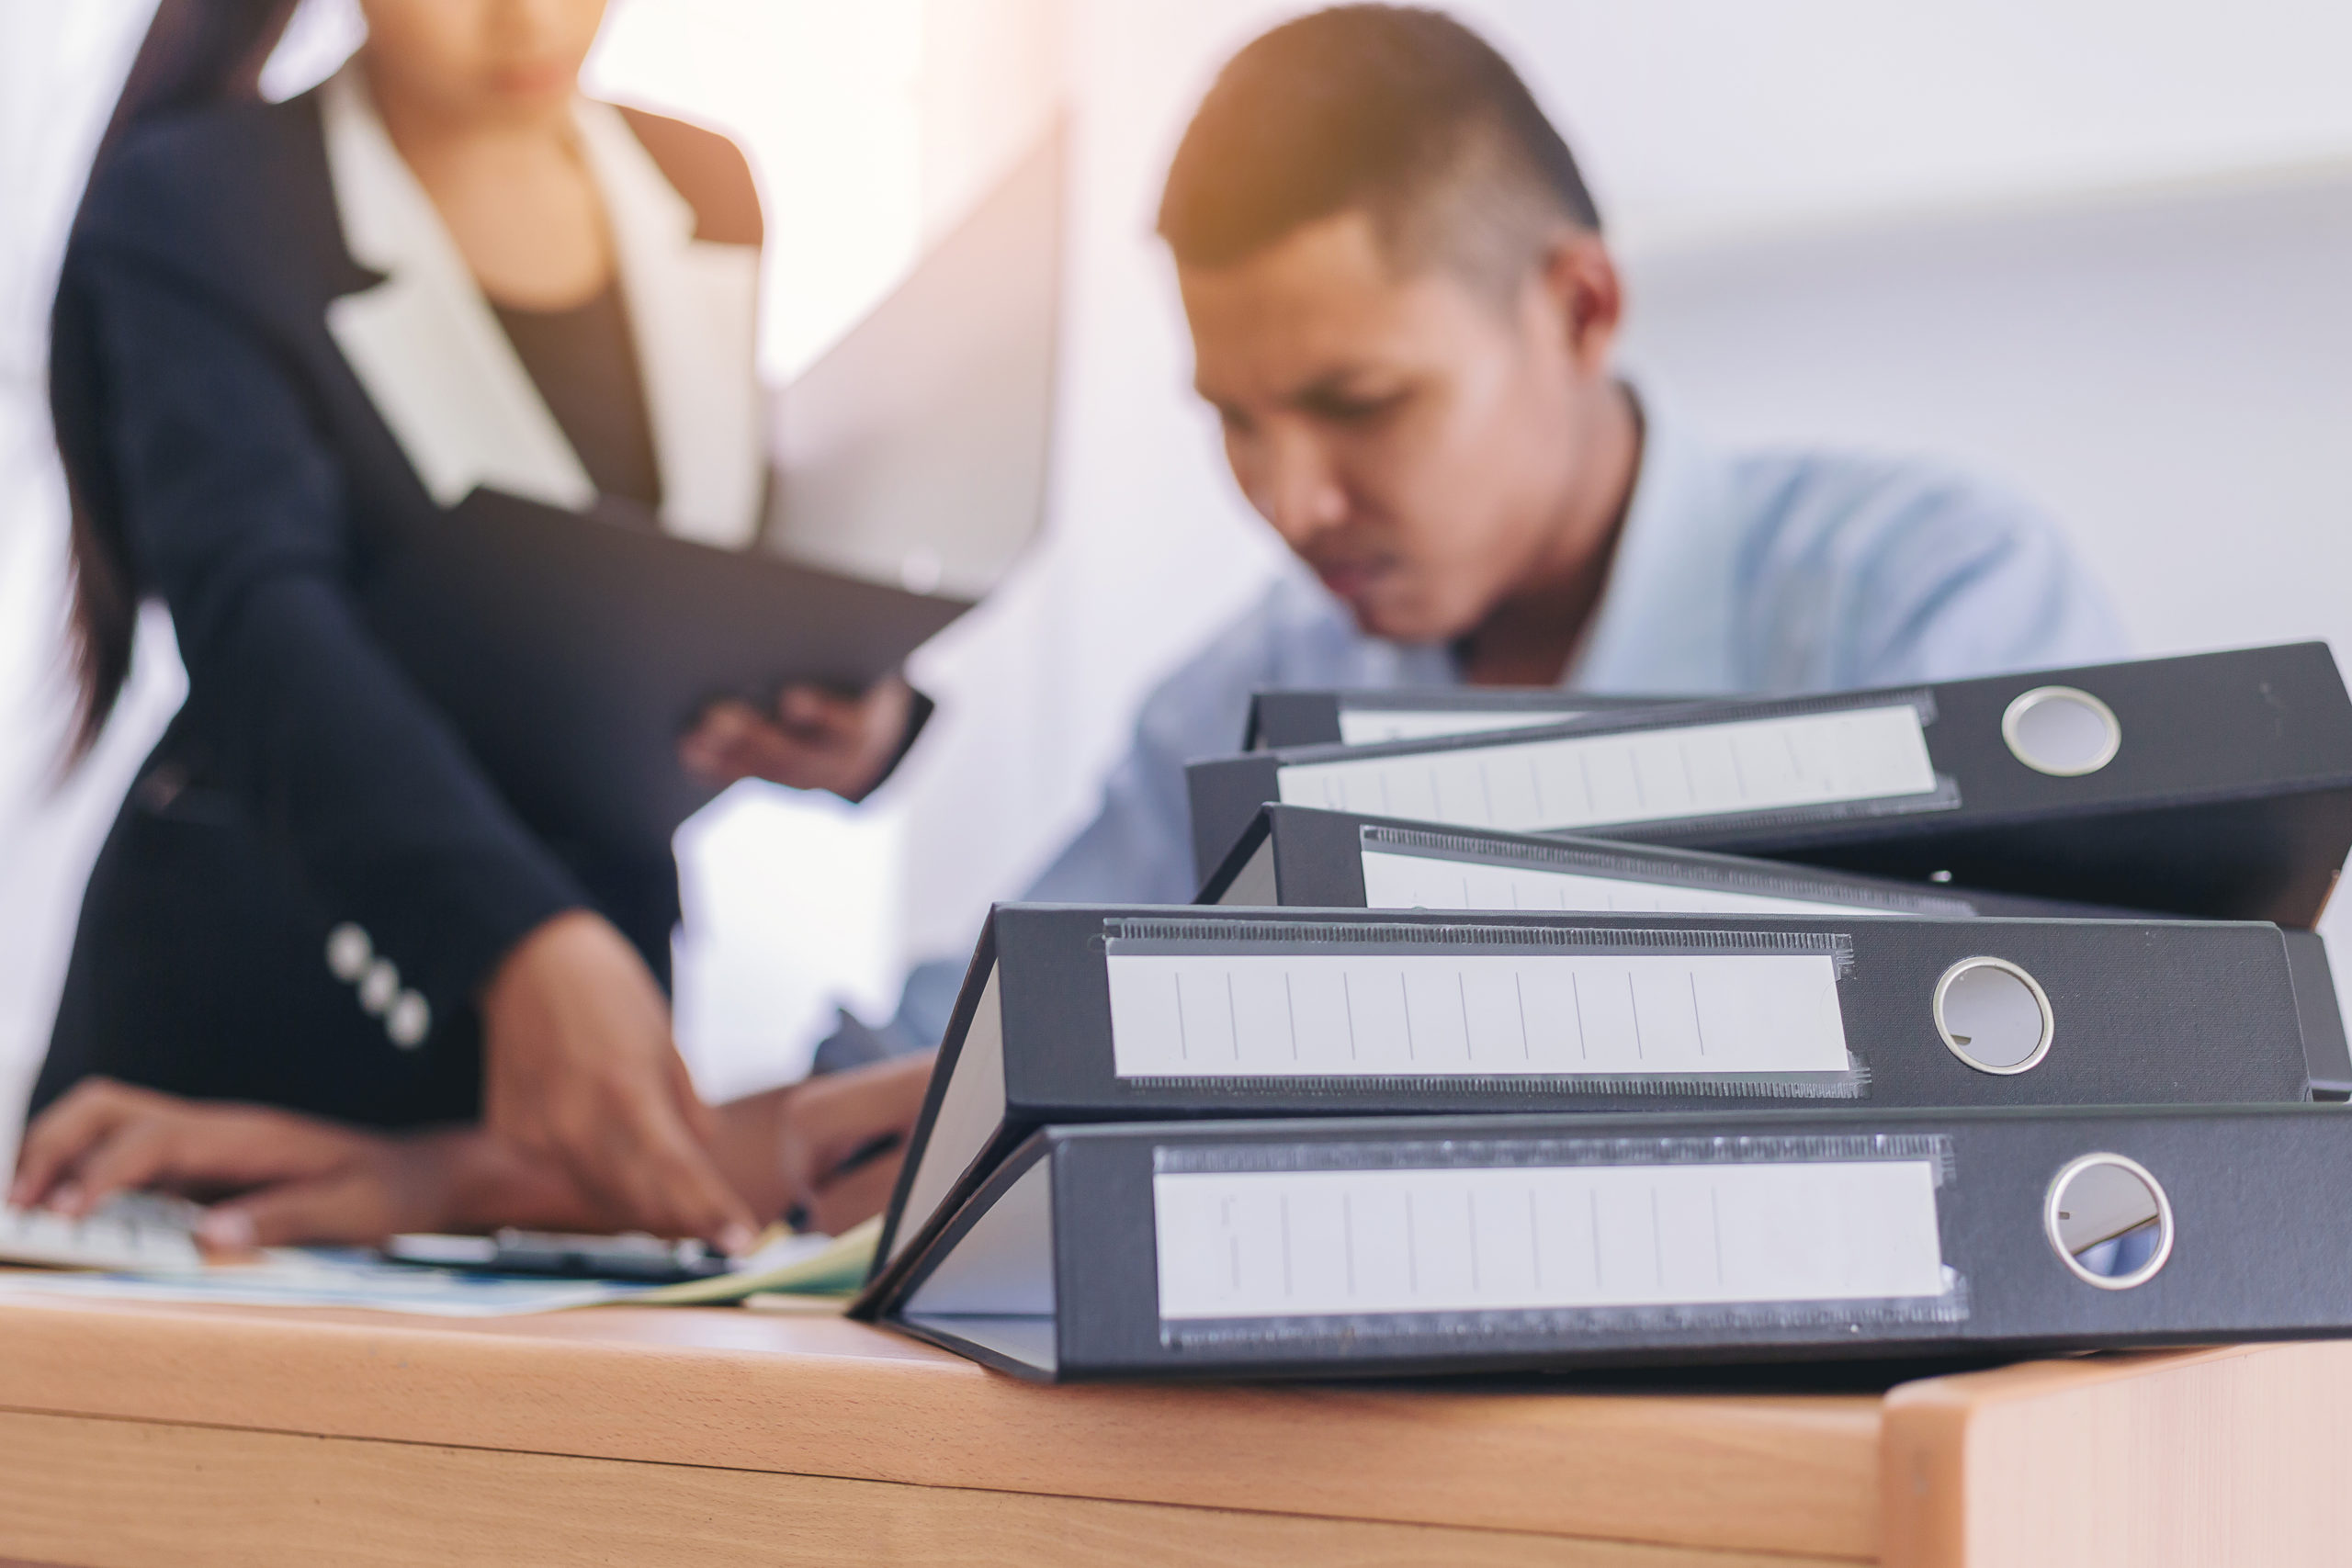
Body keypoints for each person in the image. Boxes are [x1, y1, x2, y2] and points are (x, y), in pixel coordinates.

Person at [13, 3, 2127, 1246]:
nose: (1287, 501)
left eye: (1359, 406)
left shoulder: (1927, 590)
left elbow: (2023, 1044)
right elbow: (936, 1067)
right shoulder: (1245, 701)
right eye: (1228, 420)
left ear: (1575, 306)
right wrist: (451, 1172)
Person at [35, 0, 922, 1252]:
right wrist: (521, 940)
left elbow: (678, 556)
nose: (526, 17)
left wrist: (857, 711)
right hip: (265, 982)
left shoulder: (704, 187)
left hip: (587, 978)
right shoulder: (199, 198)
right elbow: (256, 614)